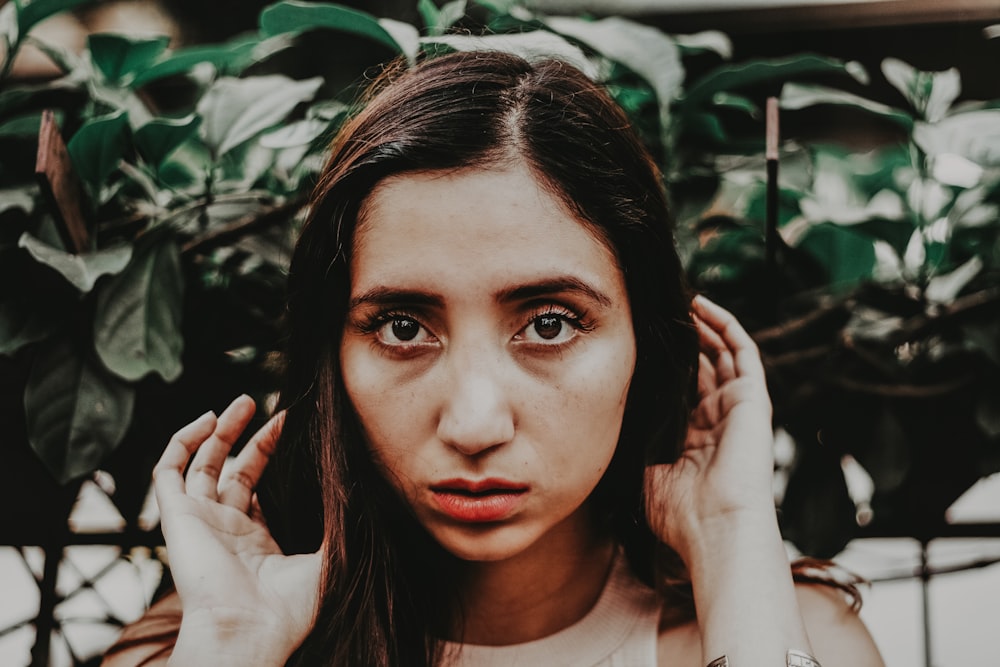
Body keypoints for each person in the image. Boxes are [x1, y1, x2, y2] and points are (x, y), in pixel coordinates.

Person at [102, 50, 885, 667]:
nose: (474, 421)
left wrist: (731, 533)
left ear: (646, 342)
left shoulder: (793, 635)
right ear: (329, 357)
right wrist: (233, 644)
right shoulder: (198, 648)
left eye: (549, 322)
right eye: (403, 327)